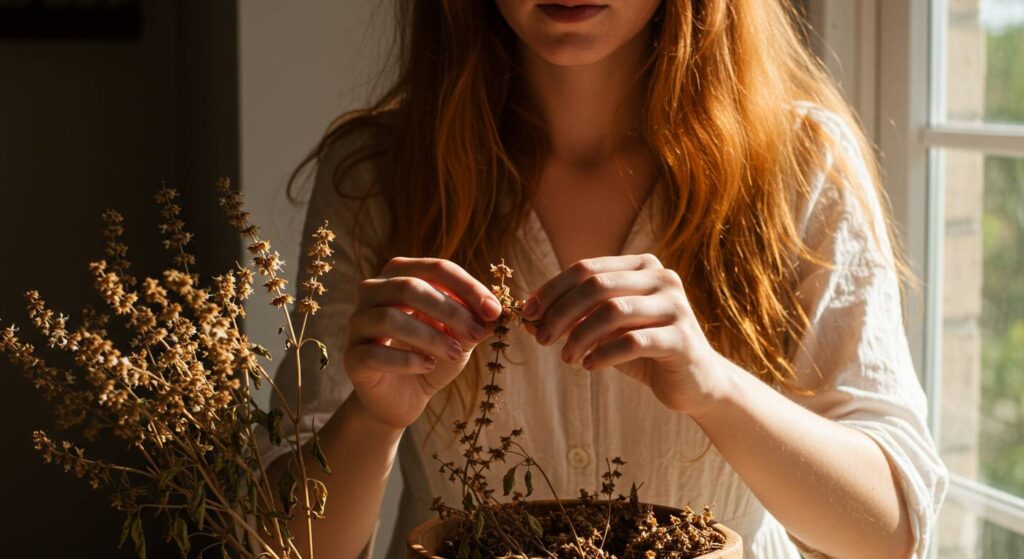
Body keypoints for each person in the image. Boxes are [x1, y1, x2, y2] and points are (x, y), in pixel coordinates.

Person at [259, 1, 948, 558]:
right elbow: (280, 546)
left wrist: (714, 385)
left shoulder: (799, 167)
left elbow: (891, 532)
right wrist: (374, 417)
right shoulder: (377, 178)